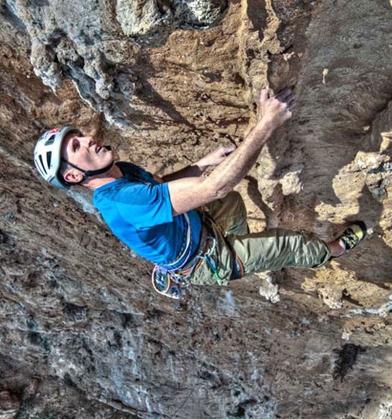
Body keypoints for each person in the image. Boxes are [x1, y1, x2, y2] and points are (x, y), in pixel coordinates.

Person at [34, 87, 366, 298]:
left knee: (232, 203)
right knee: (285, 244)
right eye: (76, 146)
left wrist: (200, 163)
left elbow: (160, 186)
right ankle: (332, 250)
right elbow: (215, 186)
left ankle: (189, 258)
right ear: (75, 174)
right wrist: (267, 124)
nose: (88, 138)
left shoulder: (119, 173)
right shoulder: (121, 202)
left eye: (79, 135)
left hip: (196, 228)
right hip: (204, 261)